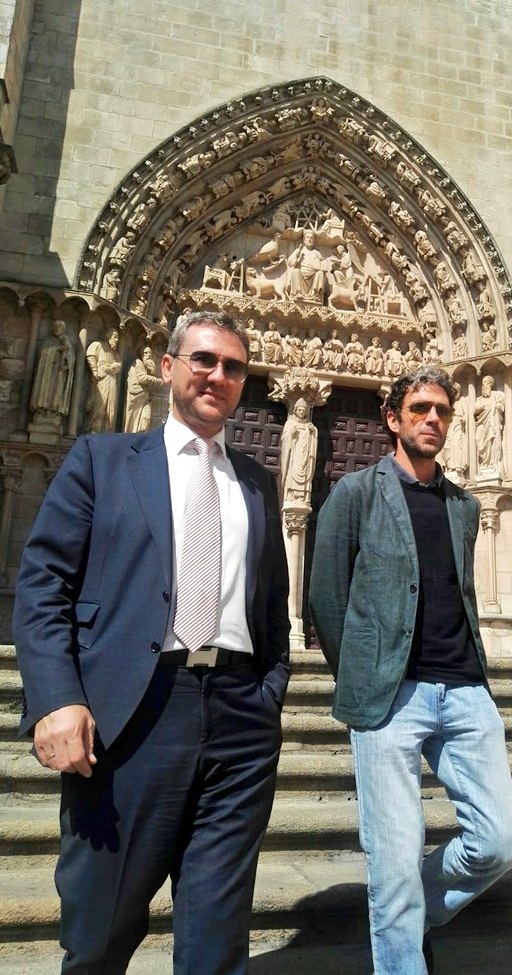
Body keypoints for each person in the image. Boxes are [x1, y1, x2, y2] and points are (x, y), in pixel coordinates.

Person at [13, 310, 290, 975]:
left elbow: (272, 605)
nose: (217, 376)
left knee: (216, 940)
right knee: (100, 929)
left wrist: (267, 695)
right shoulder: (102, 461)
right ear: (167, 367)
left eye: (232, 367)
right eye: (203, 360)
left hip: (239, 719)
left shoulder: (257, 481)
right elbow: (44, 583)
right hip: (132, 712)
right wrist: (56, 698)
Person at [309, 366, 512, 975]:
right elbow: (326, 594)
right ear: (392, 417)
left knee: (499, 841)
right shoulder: (355, 493)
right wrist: (362, 672)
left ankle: (404, 914)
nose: (433, 419)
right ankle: (400, 941)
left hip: (465, 689)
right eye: (420, 408)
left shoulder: (465, 506)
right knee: (394, 856)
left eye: (443, 411)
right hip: (391, 694)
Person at [29, 319, 75, 419]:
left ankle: (55, 411)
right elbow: (43, 353)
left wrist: (68, 366)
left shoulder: (66, 341)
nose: (57, 329)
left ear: (63, 329)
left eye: (59, 327)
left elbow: (71, 358)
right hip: (47, 371)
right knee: (45, 389)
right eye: (55, 326)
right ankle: (41, 410)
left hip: (60, 373)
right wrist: (57, 349)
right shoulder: (48, 340)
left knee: (57, 391)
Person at [280, 398, 318, 505]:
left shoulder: (308, 425)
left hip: (305, 456)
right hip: (294, 455)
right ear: (295, 411)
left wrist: (313, 432)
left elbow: (313, 439)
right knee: (292, 472)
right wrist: (291, 434)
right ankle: (290, 495)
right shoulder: (290, 423)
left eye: (303, 410)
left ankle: (303, 497)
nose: (301, 412)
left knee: (305, 472)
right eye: (299, 410)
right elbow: (284, 439)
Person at [85, 328, 122, 433]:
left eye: (118, 338)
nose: (116, 340)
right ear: (108, 336)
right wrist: (94, 370)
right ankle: (94, 430)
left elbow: (120, 362)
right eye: (115, 337)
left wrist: (115, 366)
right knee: (99, 406)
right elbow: (90, 355)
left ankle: (106, 431)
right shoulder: (98, 345)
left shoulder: (113, 352)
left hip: (112, 379)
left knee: (110, 409)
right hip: (102, 379)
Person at [123, 345, 163, 433]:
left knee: (146, 419)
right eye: (146, 353)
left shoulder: (145, 366)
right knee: (134, 422)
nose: (148, 355)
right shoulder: (138, 363)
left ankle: (140, 436)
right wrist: (156, 380)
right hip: (136, 398)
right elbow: (142, 378)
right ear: (141, 354)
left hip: (144, 399)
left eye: (150, 353)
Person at [473, 374, 504, 469]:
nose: (484, 385)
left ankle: (492, 464)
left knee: (492, 440)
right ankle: (484, 463)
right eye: (483, 383)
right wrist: (481, 407)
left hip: (492, 422)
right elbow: (475, 410)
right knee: (478, 438)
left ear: (491, 384)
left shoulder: (497, 395)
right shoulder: (480, 399)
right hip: (481, 422)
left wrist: (496, 406)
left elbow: (501, 408)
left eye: (487, 383)